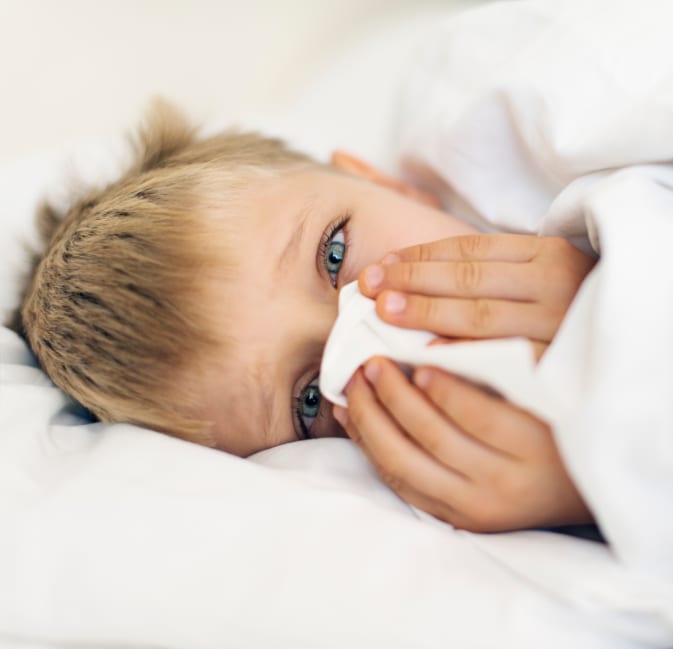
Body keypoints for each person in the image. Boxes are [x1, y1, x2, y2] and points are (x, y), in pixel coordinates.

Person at [11, 101, 597, 533]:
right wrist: (589, 482)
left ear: (379, 181)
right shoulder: (544, 495)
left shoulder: (583, 177)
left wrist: (611, 287)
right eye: (310, 398)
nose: (374, 337)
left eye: (334, 254)